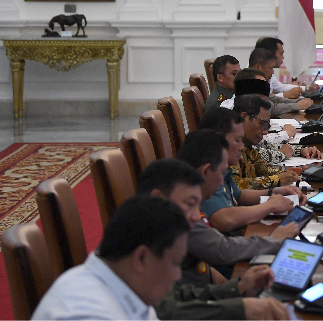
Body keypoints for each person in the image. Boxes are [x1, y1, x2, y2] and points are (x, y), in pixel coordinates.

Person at [135, 158, 291, 321]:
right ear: (157, 198)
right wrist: (241, 308)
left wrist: (237, 288)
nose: (197, 216)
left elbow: (180, 296)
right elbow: (168, 313)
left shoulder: (158, 237)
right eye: (190, 204)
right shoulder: (142, 247)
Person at [31, 195, 190, 321]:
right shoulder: (87, 314)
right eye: (175, 263)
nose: (178, 276)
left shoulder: (129, 287)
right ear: (141, 258)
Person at [198, 107, 303, 234]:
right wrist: (269, 206)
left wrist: (275, 192)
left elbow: (239, 195)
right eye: (237, 140)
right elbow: (225, 219)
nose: (242, 147)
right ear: (217, 139)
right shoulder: (208, 170)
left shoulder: (221, 165)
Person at [230, 76, 323, 164]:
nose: (265, 132)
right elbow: (254, 157)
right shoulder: (229, 140)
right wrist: (281, 155)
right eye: (261, 124)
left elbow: (265, 145)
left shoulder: (243, 132)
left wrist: (301, 150)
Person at [248, 48, 313, 113]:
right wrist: (298, 105)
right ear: (258, 67)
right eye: (270, 68)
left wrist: (300, 101)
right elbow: (271, 108)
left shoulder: (258, 82)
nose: (273, 72)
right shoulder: (248, 81)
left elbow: (274, 99)